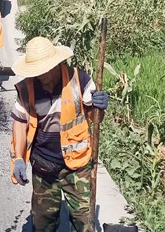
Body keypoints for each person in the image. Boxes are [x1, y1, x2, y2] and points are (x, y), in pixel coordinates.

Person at [8, 37, 109, 232]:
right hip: (43, 165)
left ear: (55, 63)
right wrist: (19, 158)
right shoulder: (27, 88)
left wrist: (100, 107)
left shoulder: (80, 80)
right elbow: (20, 123)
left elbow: (95, 118)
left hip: (77, 165)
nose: (41, 75)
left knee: (84, 223)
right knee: (43, 224)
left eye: (45, 70)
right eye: (37, 71)